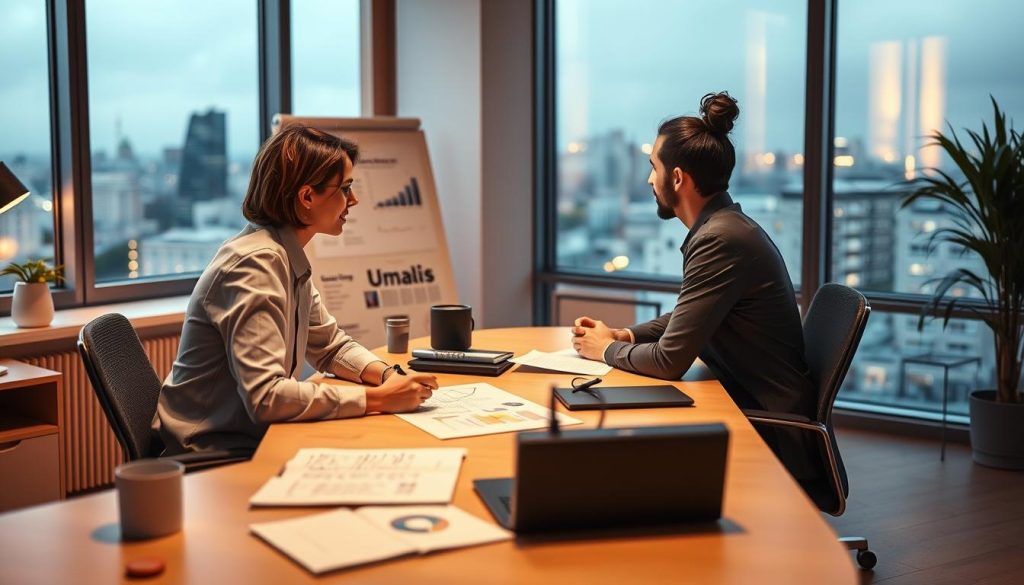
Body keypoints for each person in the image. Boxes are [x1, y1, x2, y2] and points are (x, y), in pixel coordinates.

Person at [571, 92, 819, 479]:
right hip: (745, 402)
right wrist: (625, 335)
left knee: (618, 458)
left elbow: (670, 361)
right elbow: (690, 315)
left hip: (769, 431)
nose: (648, 179)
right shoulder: (725, 228)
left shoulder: (721, 240)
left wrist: (605, 349)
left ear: (676, 177)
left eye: (652, 167)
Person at [156, 125, 438, 456]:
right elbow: (266, 398)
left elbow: (330, 346)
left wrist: (388, 376)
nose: (354, 199)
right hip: (210, 450)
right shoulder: (256, 265)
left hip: (246, 435)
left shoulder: (281, 253)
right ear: (307, 197)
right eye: (345, 188)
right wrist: (377, 399)